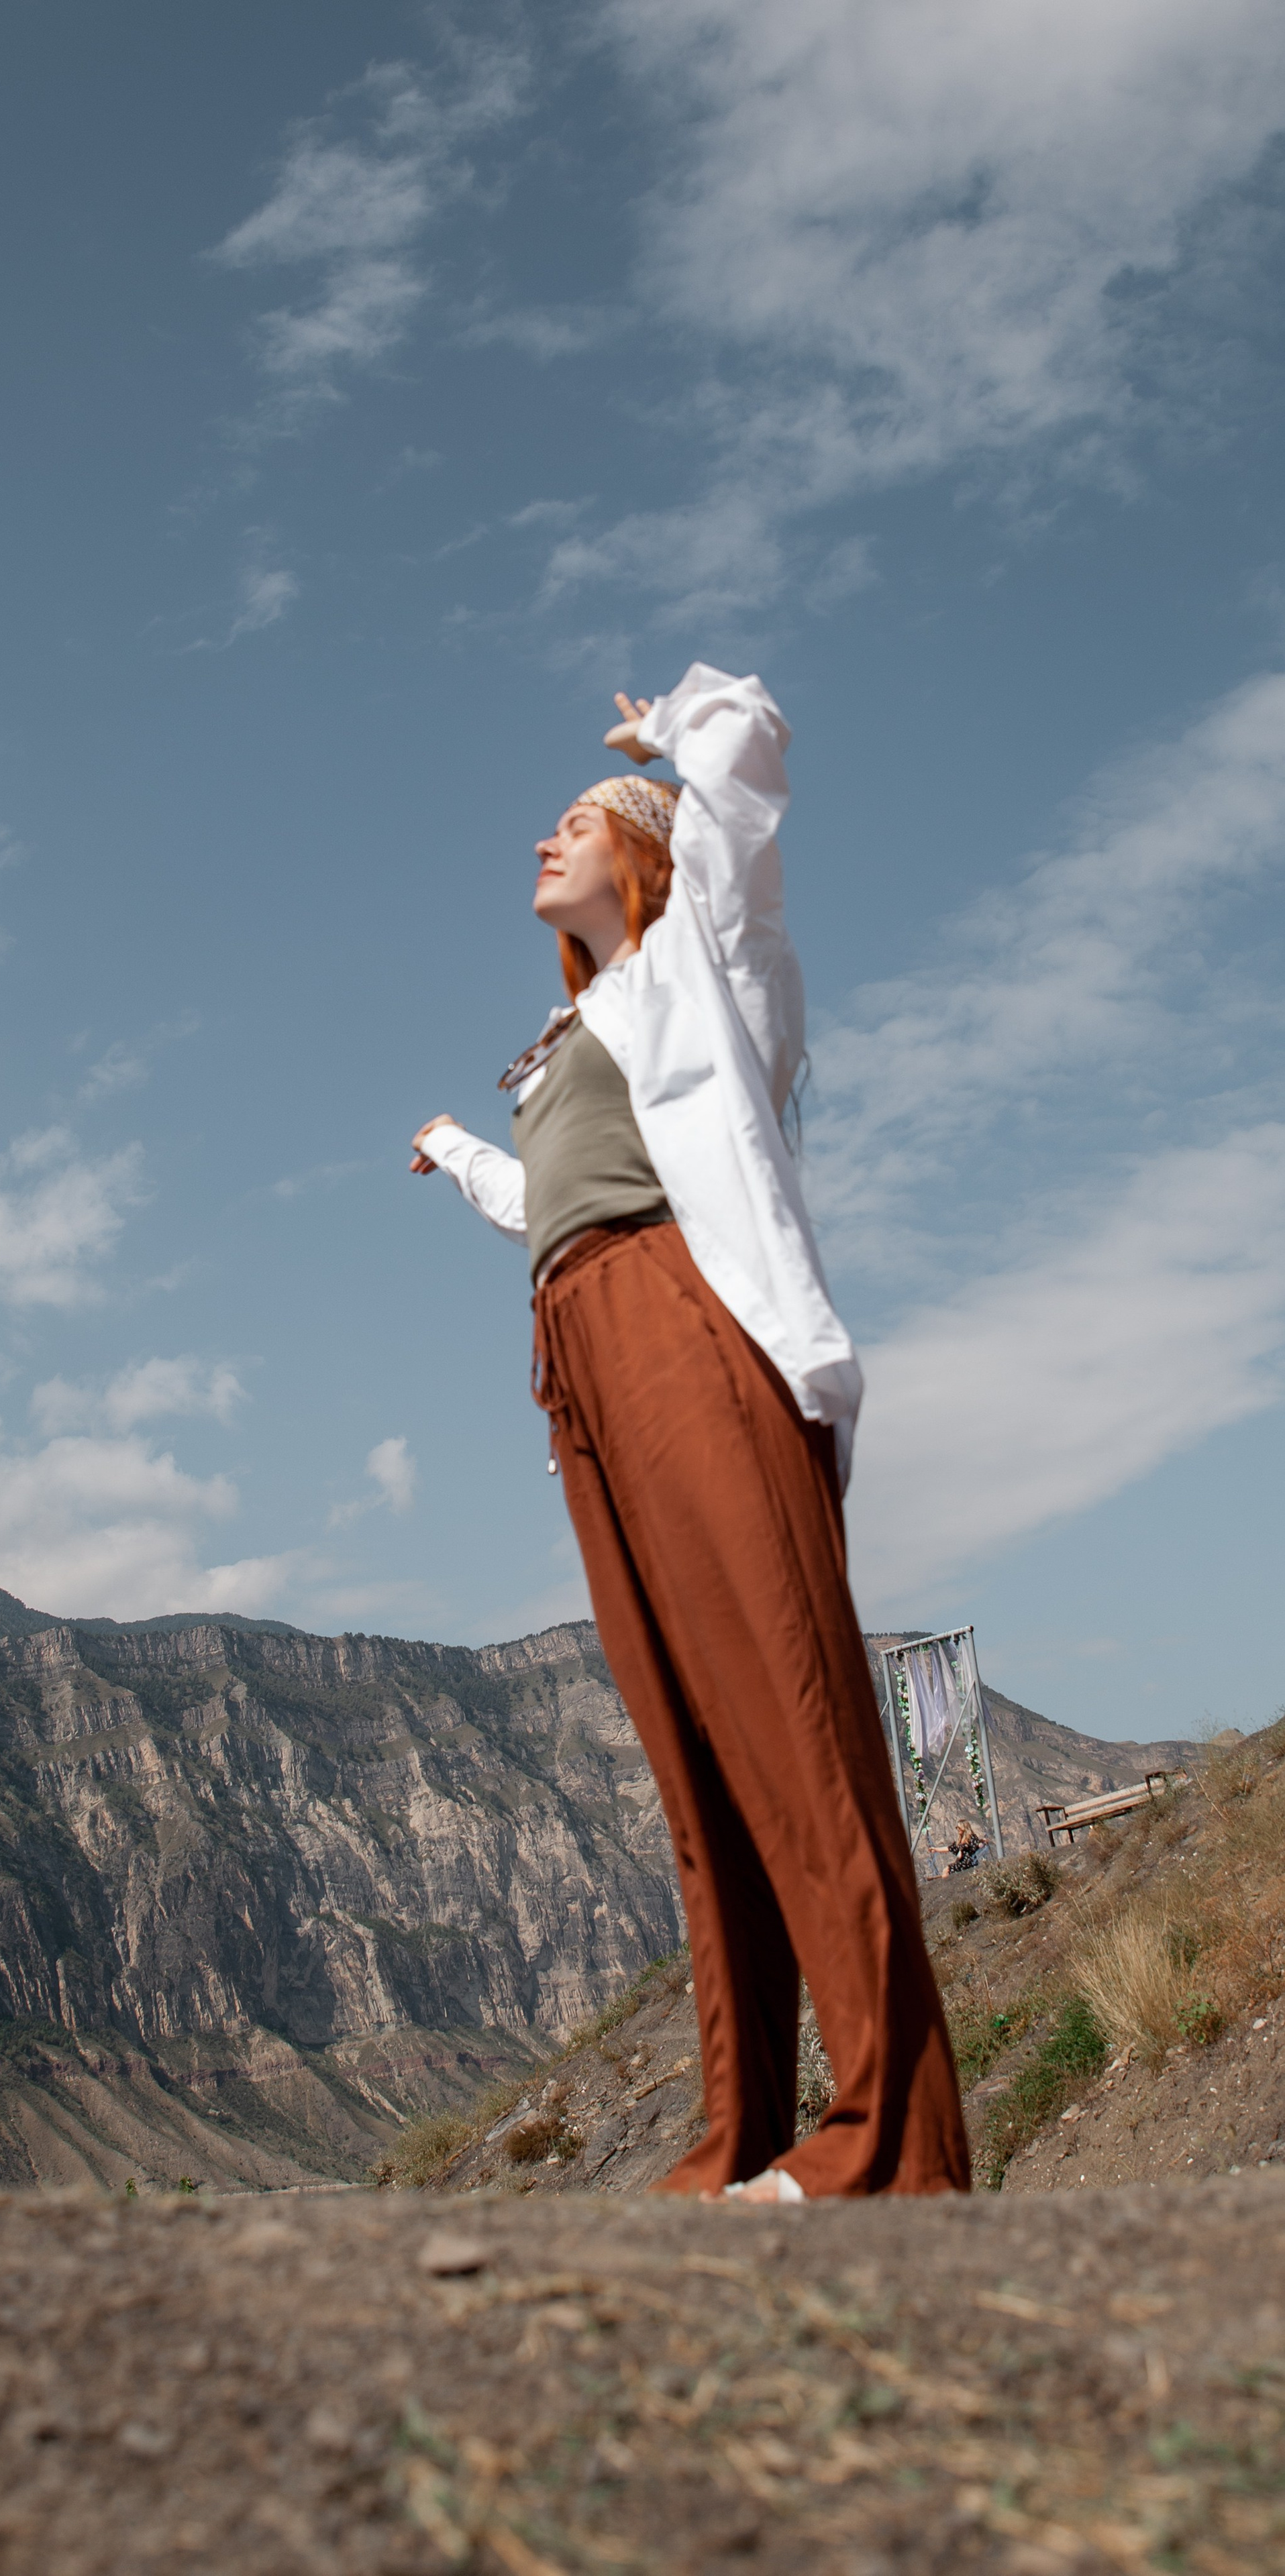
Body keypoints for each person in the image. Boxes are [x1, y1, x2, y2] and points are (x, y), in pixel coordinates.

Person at [410, 666, 969, 2202]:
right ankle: (742, 2136)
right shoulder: (565, 1035)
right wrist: (459, 1150)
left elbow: (748, 764)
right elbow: (553, 1206)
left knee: (788, 1723)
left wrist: (670, 725)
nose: (543, 837)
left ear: (645, 853)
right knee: (694, 1748)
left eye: (573, 820)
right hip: (578, 1348)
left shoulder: (706, 962)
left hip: (684, 1325)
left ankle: (891, 2143)